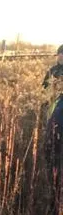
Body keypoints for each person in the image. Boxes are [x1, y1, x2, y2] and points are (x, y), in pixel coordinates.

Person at [44, 45, 63, 186]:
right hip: (53, 111)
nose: (61, 57)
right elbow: (44, 89)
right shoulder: (52, 71)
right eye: (60, 54)